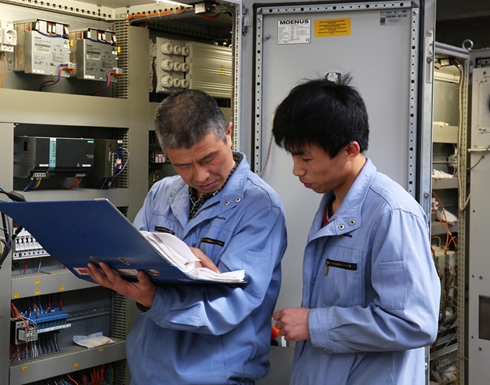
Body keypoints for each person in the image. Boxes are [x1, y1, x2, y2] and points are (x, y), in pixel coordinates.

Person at [87, 89, 287, 384]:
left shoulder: (260, 206)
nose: (200, 176)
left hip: (215, 376)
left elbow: (231, 305)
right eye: (183, 165)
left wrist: (155, 297)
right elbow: (131, 261)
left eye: (209, 158)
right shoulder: (161, 192)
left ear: (228, 133)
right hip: (147, 372)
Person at [271, 74, 440, 384]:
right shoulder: (333, 202)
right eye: (294, 156)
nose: (297, 170)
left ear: (350, 149)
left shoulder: (391, 213)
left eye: (306, 157)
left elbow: (414, 323)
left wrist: (315, 324)